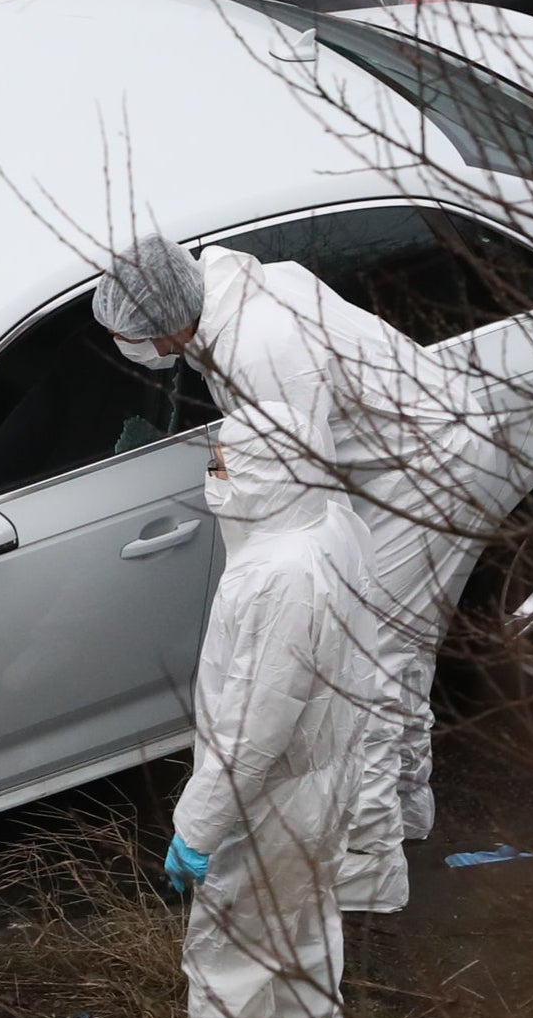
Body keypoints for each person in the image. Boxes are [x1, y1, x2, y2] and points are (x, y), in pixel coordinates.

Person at [94, 229, 479, 916]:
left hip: (420, 471)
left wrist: (285, 585)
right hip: (383, 460)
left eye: (134, 336)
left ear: (169, 320)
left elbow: (295, 476)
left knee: (370, 663)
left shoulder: (261, 346)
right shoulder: (222, 310)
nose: (129, 348)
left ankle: (364, 874)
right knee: (394, 649)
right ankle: (407, 811)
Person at [136, 393, 371, 1018]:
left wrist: (197, 826)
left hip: (268, 800)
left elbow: (253, 726)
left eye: (226, 462)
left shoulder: (279, 576)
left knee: (228, 972)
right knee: (303, 951)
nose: (215, 475)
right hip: (323, 780)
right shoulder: (330, 525)